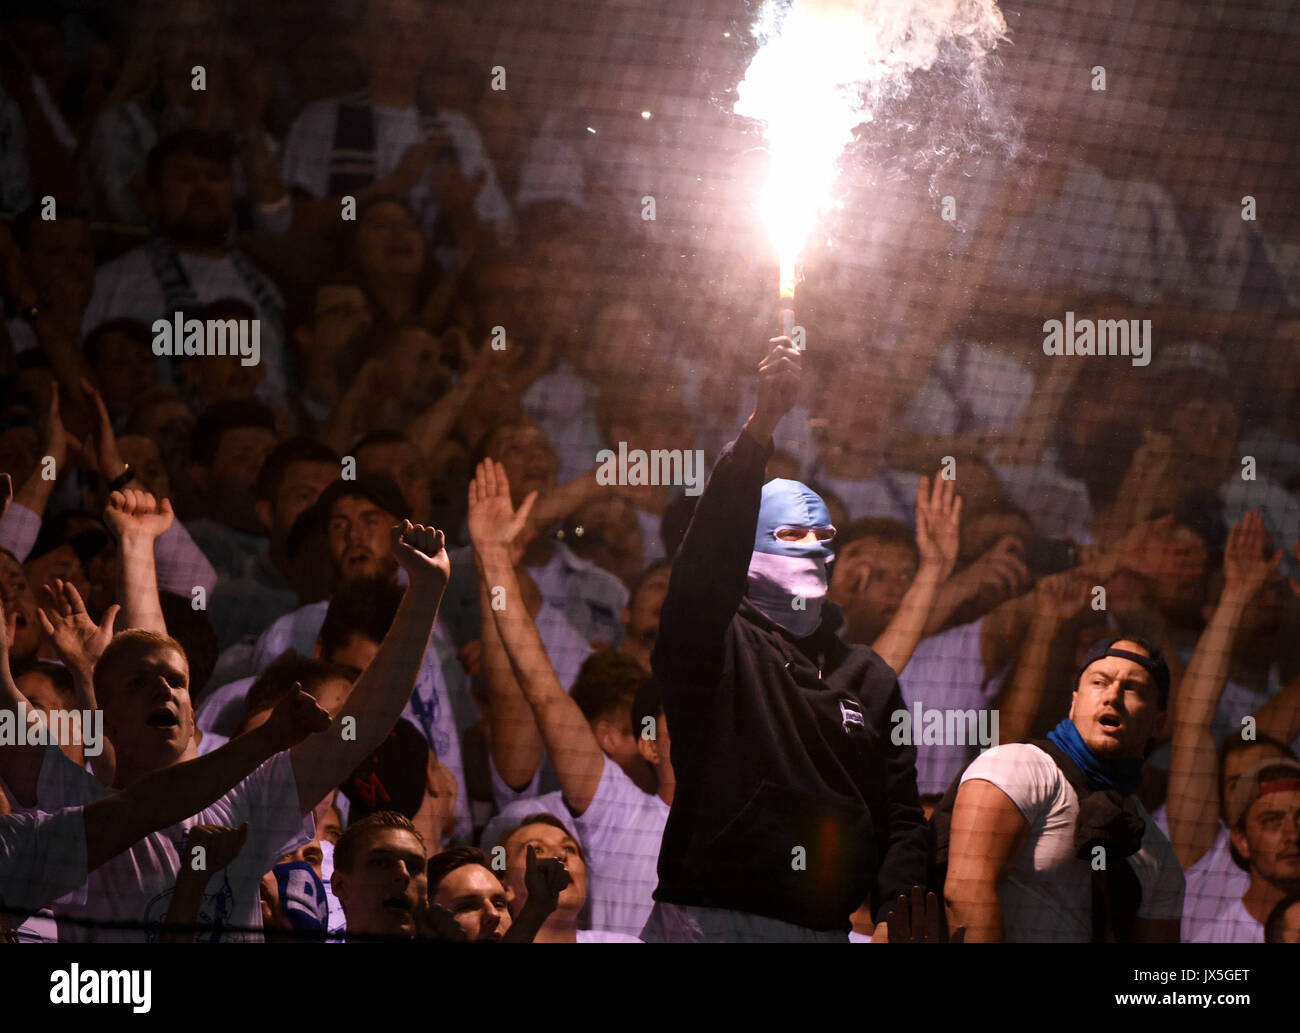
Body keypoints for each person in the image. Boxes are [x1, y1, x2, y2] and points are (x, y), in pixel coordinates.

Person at [0, 515, 451, 941]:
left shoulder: (250, 799)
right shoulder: (79, 805)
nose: (163, 691)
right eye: (139, 683)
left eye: (176, 681)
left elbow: (364, 725)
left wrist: (425, 591)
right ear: (105, 715)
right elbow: (8, 724)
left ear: (194, 713)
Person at [642, 337, 928, 942]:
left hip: (822, 929)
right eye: (793, 534)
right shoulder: (714, 640)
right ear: (749, 548)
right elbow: (700, 573)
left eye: (825, 535)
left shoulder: (870, 676)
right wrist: (760, 426)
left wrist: (896, 913)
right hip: (705, 918)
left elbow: (900, 812)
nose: (817, 546)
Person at [945, 636, 1185, 942]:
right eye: (1099, 682)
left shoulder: (1158, 854)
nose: (1112, 696)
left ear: (1157, 724)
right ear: (1074, 703)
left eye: (1133, 688)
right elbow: (965, 894)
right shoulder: (1015, 767)